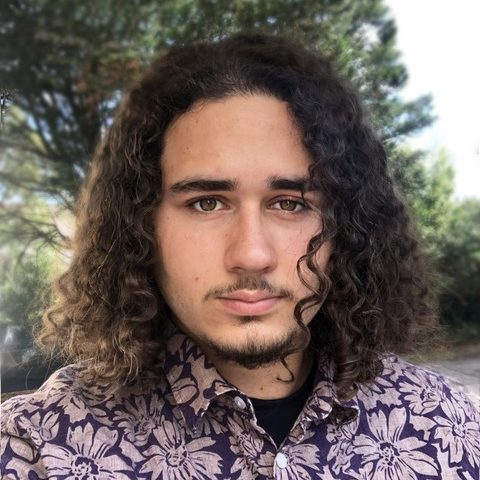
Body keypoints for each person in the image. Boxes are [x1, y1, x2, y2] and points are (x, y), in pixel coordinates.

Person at [1, 32, 478, 480]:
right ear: (140, 225)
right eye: (207, 203)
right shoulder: (36, 450)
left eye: (290, 204)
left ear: (349, 228)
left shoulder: (449, 427)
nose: (251, 255)